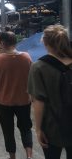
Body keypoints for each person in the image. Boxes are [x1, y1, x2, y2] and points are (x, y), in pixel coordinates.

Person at [28, 25, 72, 159]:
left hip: (53, 127)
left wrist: (38, 129)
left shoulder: (39, 67)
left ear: (45, 43)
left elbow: (38, 102)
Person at [0, 31, 33, 159]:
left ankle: (12, 157)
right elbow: (31, 80)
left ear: (2, 43)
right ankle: (29, 156)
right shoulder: (27, 57)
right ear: (15, 42)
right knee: (26, 128)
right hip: (24, 101)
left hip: (3, 103)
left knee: (8, 131)